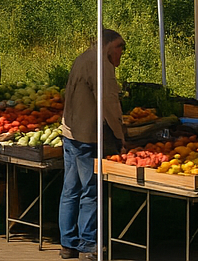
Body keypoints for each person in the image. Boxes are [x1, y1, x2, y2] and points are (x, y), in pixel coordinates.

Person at [58, 28, 127, 261]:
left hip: (70, 132)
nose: (121, 52)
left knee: (70, 189)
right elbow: (109, 102)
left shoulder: (82, 58)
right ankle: (88, 244)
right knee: (91, 190)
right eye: (120, 47)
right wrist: (119, 135)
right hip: (86, 136)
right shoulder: (100, 64)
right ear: (110, 46)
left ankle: (67, 244)